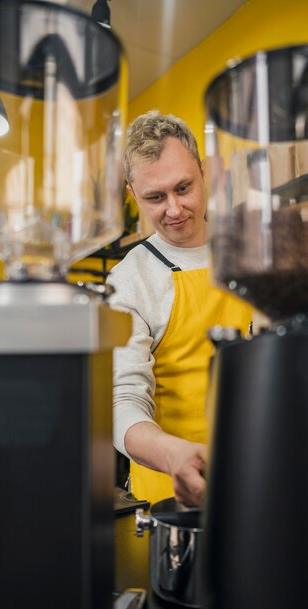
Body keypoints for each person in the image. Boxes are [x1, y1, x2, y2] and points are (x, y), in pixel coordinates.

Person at [108, 110, 252, 507]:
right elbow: (123, 400)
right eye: (155, 197)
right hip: (170, 497)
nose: (173, 210)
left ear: (204, 173)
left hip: (261, 479)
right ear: (133, 195)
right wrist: (175, 456)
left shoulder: (254, 252)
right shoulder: (128, 280)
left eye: (183, 188)